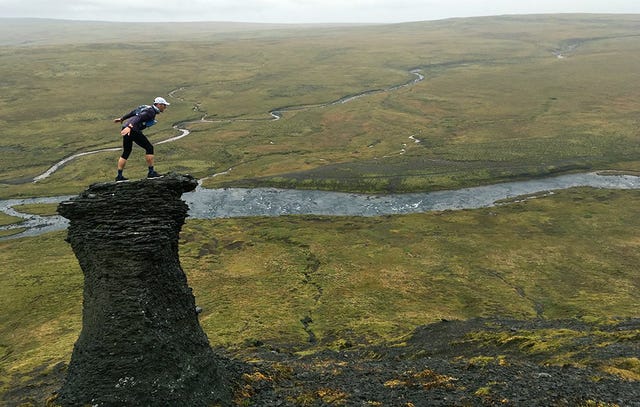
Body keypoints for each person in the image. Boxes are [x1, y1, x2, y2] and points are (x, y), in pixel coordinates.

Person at [113, 97, 170, 181]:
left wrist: (122, 119)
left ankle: (119, 176)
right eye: (164, 105)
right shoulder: (150, 112)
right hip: (132, 130)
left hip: (125, 128)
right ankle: (151, 173)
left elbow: (134, 112)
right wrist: (130, 127)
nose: (165, 107)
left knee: (126, 151)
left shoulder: (145, 107)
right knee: (149, 148)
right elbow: (138, 118)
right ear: (159, 105)